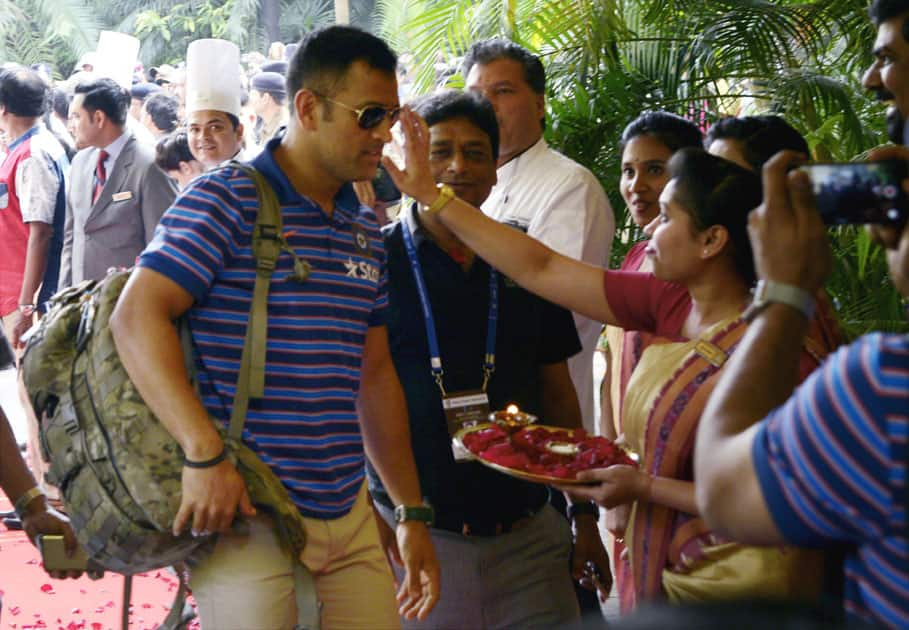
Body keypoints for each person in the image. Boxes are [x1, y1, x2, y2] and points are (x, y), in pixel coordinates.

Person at [383, 109, 826, 607]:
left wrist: (644, 487)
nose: (650, 224)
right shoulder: (669, 298)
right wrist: (432, 197)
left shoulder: (781, 343)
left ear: (712, 239)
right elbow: (541, 265)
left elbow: (777, 497)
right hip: (657, 564)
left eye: (669, 216)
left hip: (737, 586)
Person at [110, 25, 439, 628]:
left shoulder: (363, 226)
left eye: (390, 115)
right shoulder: (227, 197)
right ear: (309, 108)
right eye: (370, 115)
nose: (384, 134)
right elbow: (135, 315)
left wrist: (410, 510)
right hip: (247, 508)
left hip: (348, 508)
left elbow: (373, 375)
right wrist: (204, 454)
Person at [693, 2, 909, 628]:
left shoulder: (885, 389)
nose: (871, 79)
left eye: (889, 56)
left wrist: (785, 292)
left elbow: (724, 489)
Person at [369, 89, 610, 628]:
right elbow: (343, 397)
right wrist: (369, 513)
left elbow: (558, 391)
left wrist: (584, 514)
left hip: (528, 535)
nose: (457, 166)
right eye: (440, 151)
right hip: (415, 535)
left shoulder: (525, 263)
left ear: (496, 170)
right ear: (412, 164)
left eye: (476, 153)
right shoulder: (374, 263)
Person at [463, 39, 614, 437]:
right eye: (476, 94)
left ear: (540, 104)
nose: (486, 105)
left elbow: (553, 307)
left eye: (503, 92)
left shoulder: (569, 186)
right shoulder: (469, 186)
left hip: (546, 414)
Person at [598, 110, 703, 612]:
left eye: (655, 169)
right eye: (628, 170)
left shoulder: (689, 272)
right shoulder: (640, 256)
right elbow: (613, 371)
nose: (637, 184)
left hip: (676, 494)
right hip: (631, 484)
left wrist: (641, 487)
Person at [60, 77, 177, 287]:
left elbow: (162, 244)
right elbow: (72, 237)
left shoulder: (149, 164)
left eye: (76, 117)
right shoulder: (80, 162)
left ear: (98, 118)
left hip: (125, 300)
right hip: (80, 299)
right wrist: (63, 295)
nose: (71, 126)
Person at [184, 39, 247, 170]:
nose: (203, 137)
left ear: (239, 131)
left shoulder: (248, 180)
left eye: (215, 127)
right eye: (195, 129)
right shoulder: (202, 174)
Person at [249, 71, 289, 145]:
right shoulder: (262, 124)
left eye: (253, 94)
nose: (250, 98)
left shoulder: (285, 130)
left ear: (265, 98)